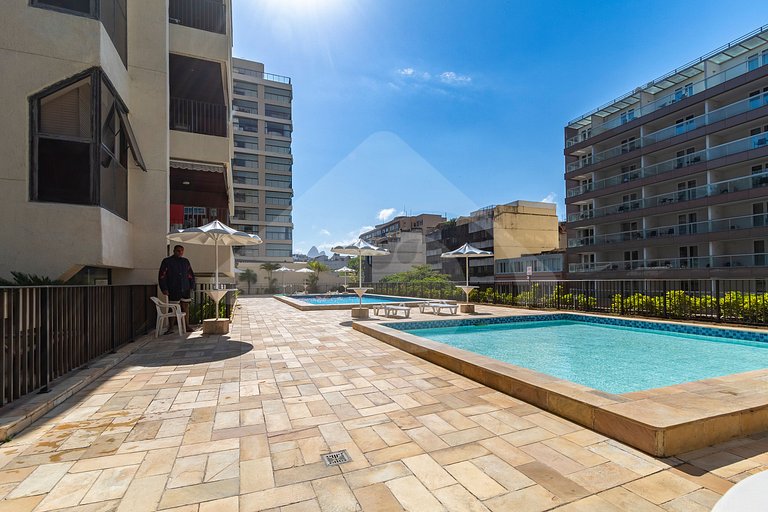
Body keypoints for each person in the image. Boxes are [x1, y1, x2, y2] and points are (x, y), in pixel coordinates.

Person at [158, 245, 195, 333]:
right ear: (174, 251)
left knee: (185, 307)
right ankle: (170, 327)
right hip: (173, 288)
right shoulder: (167, 261)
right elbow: (162, 276)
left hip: (185, 288)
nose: (180, 252)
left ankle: (186, 326)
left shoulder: (185, 261)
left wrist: (192, 286)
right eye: (178, 251)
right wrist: (164, 288)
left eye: (182, 251)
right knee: (173, 308)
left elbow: (190, 275)